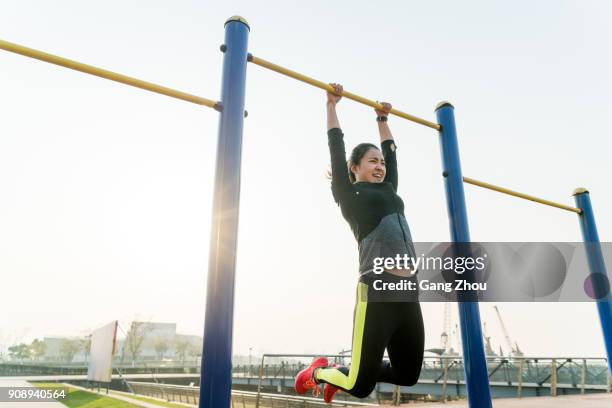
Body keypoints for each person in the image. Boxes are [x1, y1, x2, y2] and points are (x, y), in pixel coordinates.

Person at [294, 84, 425, 403]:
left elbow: (392, 154)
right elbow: (336, 149)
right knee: (361, 386)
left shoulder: (391, 190)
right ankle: (319, 373)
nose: (380, 166)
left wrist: (382, 119)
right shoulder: (349, 195)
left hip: (408, 291)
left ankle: (349, 369)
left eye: (380, 162)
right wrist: (331, 106)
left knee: (408, 375)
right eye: (371, 162)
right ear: (355, 168)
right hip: (376, 288)